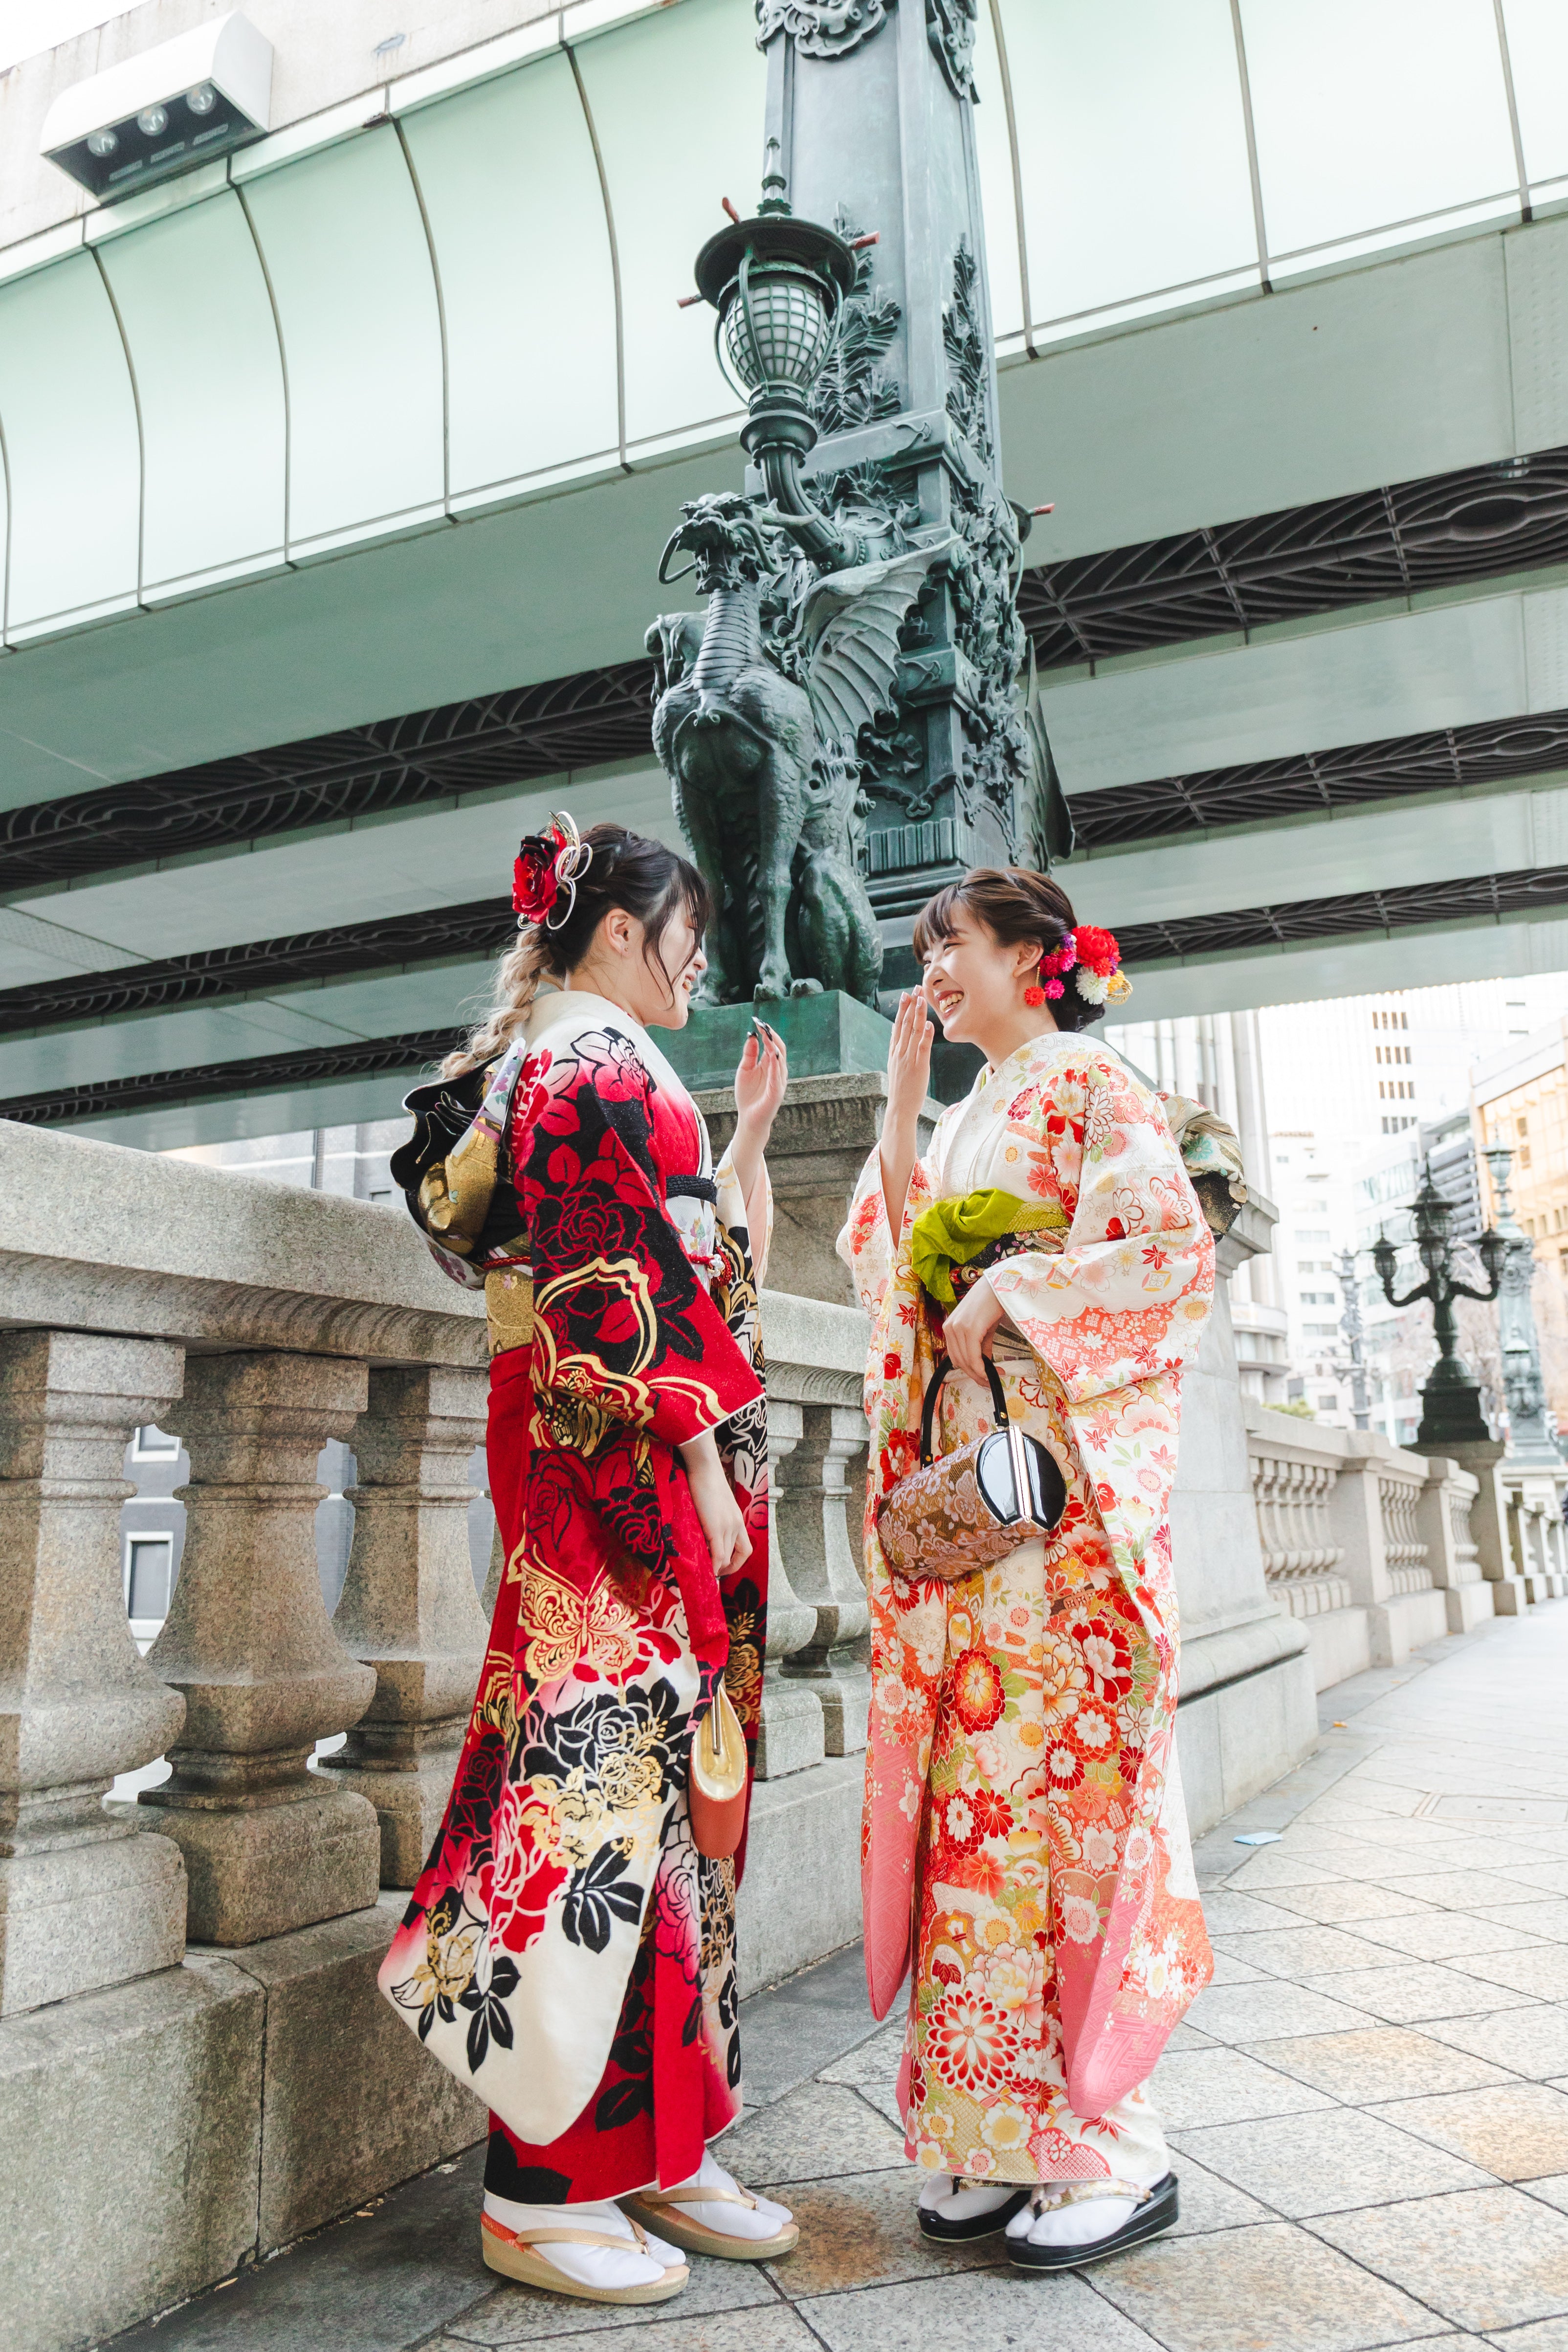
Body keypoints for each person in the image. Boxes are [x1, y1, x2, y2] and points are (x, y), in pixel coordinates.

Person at [379, 816, 797, 2306]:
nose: (703, 957)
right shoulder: (593, 1062)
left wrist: (741, 1148)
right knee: (593, 1788)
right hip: (607, 1449)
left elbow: (664, 1263)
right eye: (684, 929)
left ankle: (660, 2142)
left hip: (587, 1434)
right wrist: (694, 1459)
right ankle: (543, 2183)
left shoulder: (569, 1058)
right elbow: (611, 1293)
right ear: (618, 930)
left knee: (651, 1790)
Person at [837, 867, 1215, 2272]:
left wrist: (1022, 1287)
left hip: (1058, 1522)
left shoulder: (1092, 1083)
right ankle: (996, 2137)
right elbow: (897, 1271)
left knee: (1063, 1827)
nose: (937, 965)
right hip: (980, 1534)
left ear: (1032, 958)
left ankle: (1118, 2147)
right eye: (931, 947)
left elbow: (1168, 1252)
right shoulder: (974, 1102)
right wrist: (896, 1106)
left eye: (959, 944)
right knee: (973, 1827)